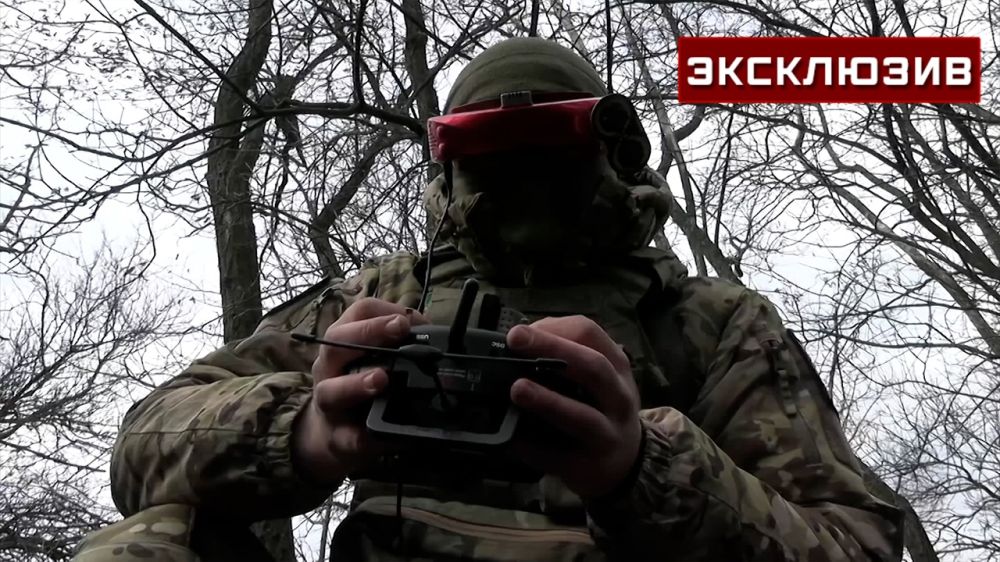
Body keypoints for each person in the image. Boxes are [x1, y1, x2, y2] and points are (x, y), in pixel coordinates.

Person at [74, 38, 903, 562]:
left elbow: (856, 542)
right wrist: (308, 432)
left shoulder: (712, 322)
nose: (523, 175)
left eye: (552, 142)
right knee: (155, 541)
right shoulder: (381, 297)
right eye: (491, 150)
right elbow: (141, 446)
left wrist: (641, 468)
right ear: (452, 164)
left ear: (612, 151)